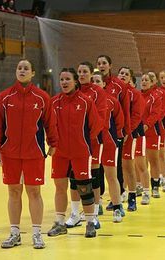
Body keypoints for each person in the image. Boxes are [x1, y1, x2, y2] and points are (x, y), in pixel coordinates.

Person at [0, 59, 58, 249]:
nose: (22, 70)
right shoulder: (4, 97)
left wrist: (53, 143)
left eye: (26, 68)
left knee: (34, 192)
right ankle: (14, 234)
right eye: (19, 68)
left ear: (33, 73)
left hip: (34, 153)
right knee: (13, 192)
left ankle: (37, 234)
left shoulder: (42, 97)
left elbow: (50, 123)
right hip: (10, 153)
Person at [48, 68, 102, 238]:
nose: (64, 82)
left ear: (75, 81)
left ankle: (90, 223)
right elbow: (49, 126)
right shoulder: (54, 102)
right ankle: (59, 222)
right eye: (61, 79)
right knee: (60, 187)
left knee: (85, 187)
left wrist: (82, 141)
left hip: (81, 152)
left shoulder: (86, 101)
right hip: (60, 153)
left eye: (67, 79)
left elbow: (96, 126)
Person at [66, 62, 107, 230]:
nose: (82, 74)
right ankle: (75, 214)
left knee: (93, 178)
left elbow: (100, 120)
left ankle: (94, 214)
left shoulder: (97, 92)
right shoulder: (72, 91)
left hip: (92, 142)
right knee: (73, 178)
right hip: (72, 145)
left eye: (85, 72)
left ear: (91, 74)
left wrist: (85, 139)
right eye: (79, 71)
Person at [97, 55, 130, 213]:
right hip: (96, 136)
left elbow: (125, 109)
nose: (101, 65)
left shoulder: (119, 85)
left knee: (115, 167)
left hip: (115, 132)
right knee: (97, 169)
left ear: (110, 65)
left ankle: (119, 195)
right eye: (99, 63)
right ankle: (99, 199)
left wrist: (125, 131)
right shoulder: (91, 84)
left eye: (104, 63)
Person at [92, 71, 124, 221]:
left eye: (98, 81)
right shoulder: (86, 100)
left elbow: (120, 121)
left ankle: (117, 207)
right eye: (93, 81)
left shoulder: (112, 101)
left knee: (111, 176)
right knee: (95, 176)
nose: (95, 83)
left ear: (104, 84)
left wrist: (115, 138)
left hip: (109, 143)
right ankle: (97, 205)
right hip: (94, 144)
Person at [119, 66, 144, 212]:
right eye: (121, 73)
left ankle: (132, 197)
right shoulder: (114, 92)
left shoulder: (134, 94)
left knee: (128, 166)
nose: (123, 75)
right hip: (116, 134)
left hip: (129, 134)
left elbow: (137, 115)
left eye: (126, 74)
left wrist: (127, 131)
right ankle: (120, 194)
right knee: (117, 168)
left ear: (131, 78)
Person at [139, 73, 162, 202]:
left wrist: (146, 125)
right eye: (142, 80)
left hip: (152, 132)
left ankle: (155, 186)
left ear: (152, 82)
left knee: (153, 160)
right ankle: (143, 188)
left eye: (146, 80)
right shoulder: (137, 96)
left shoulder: (155, 96)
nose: (144, 82)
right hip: (139, 134)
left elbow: (156, 113)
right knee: (141, 162)